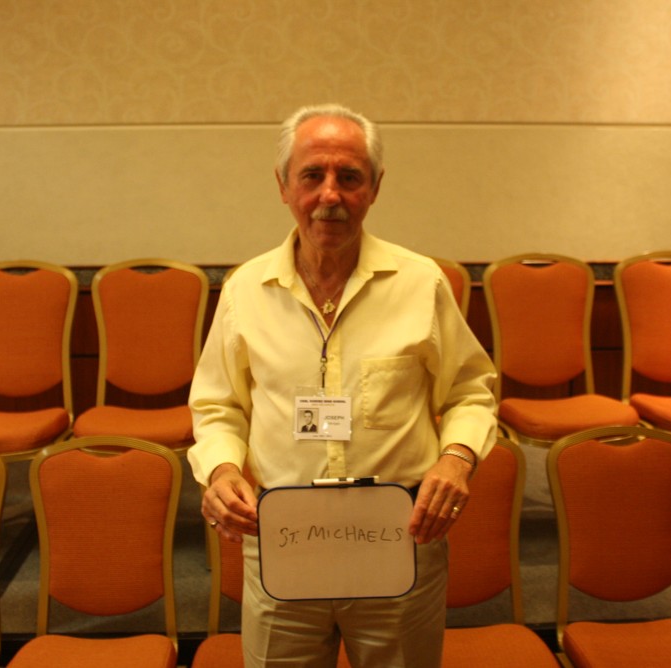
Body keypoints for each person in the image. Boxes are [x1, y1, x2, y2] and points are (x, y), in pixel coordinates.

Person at [188, 103, 497, 668]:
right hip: (285, 545)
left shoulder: (421, 283)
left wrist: (457, 459)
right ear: (283, 185)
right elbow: (218, 406)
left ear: (374, 188)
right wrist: (222, 470)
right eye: (312, 175)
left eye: (349, 177)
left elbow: (470, 391)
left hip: (398, 542)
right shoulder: (245, 291)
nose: (330, 194)